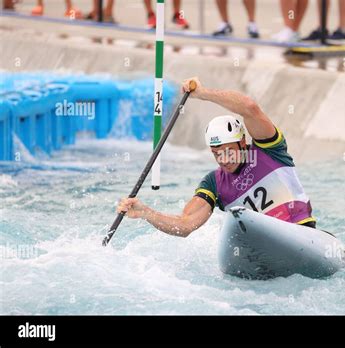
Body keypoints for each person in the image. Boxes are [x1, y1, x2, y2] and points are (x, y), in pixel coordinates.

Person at [117, 77, 316, 237]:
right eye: (216, 153)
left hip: (301, 233)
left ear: (242, 143)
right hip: (262, 249)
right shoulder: (214, 183)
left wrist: (202, 94)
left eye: (228, 150)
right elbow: (185, 225)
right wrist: (146, 213)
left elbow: (249, 107)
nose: (223, 159)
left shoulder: (269, 150)